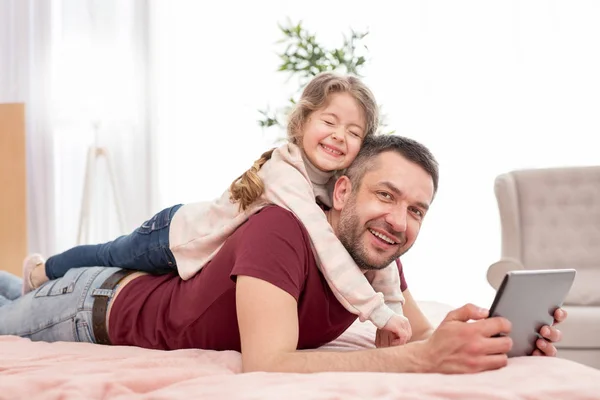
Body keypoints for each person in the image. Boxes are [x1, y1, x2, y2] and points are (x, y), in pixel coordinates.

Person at [0, 135, 566, 374]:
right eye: (386, 195)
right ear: (342, 191)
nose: (399, 219)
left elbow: (417, 333)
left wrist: (487, 339)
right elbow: (269, 362)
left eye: (416, 210)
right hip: (90, 306)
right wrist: (418, 362)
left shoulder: (378, 258)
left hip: (103, 292)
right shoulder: (282, 229)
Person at [21, 72, 412, 345]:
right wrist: (379, 313)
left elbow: (383, 266)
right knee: (108, 255)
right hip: (174, 236)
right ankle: (43, 270)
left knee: (115, 269)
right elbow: (325, 247)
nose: (339, 136)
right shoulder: (285, 174)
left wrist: (396, 310)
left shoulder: (334, 190)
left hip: (198, 252)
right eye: (329, 121)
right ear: (303, 120)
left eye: (354, 132)